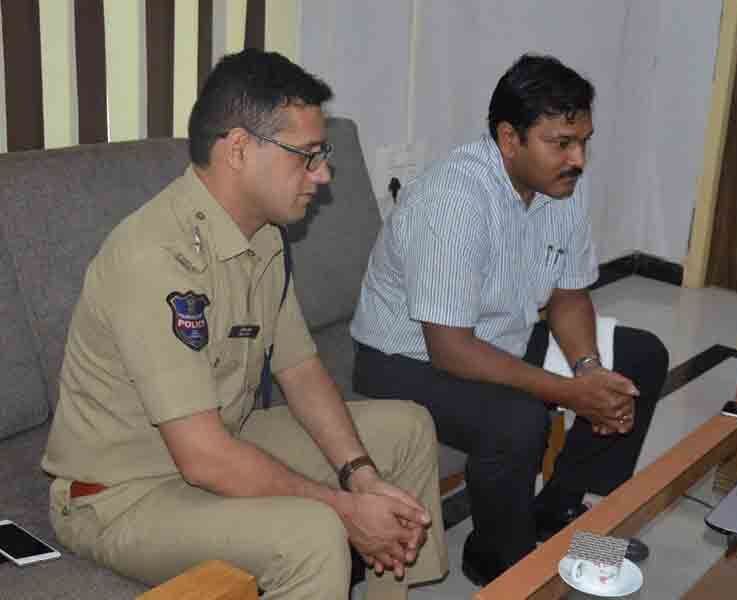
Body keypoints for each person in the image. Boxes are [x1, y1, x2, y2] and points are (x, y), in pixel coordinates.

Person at [42, 48, 446, 600]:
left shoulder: (264, 236)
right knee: (315, 533)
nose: (323, 175)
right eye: (307, 156)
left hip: (219, 438)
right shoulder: (154, 258)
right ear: (238, 149)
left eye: (321, 155)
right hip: (122, 495)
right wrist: (346, 508)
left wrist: (361, 476)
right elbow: (204, 458)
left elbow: (300, 369)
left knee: (407, 429)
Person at [350, 53, 668, 585]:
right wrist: (567, 394)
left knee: (640, 357)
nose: (578, 159)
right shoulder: (453, 200)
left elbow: (568, 295)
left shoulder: (560, 185)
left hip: (499, 338)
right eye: (561, 143)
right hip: (403, 360)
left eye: (583, 141)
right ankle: (501, 558)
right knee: (518, 420)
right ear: (508, 138)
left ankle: (559, 510)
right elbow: (450, 348)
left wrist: (588, 370)